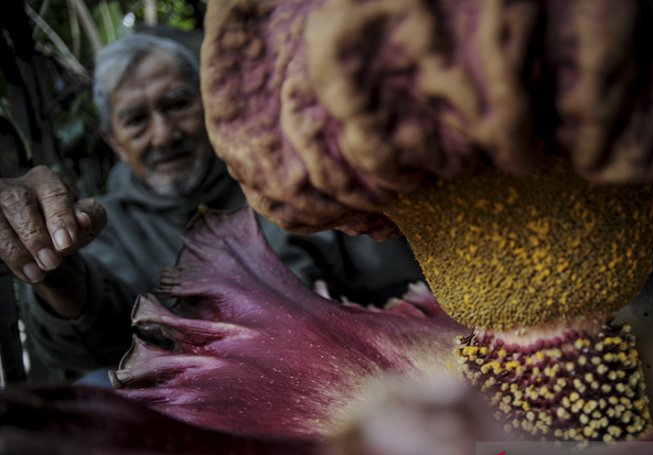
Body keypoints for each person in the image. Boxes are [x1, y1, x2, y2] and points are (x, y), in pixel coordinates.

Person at [0, 34, 423, 382]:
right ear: (114, 141)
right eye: (137, 120)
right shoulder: (106, 226)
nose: (163, 135)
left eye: (177, 104)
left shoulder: (290, 179)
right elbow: (97, 342)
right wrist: (54, 271)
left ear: (211, 108)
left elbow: (393, 274)